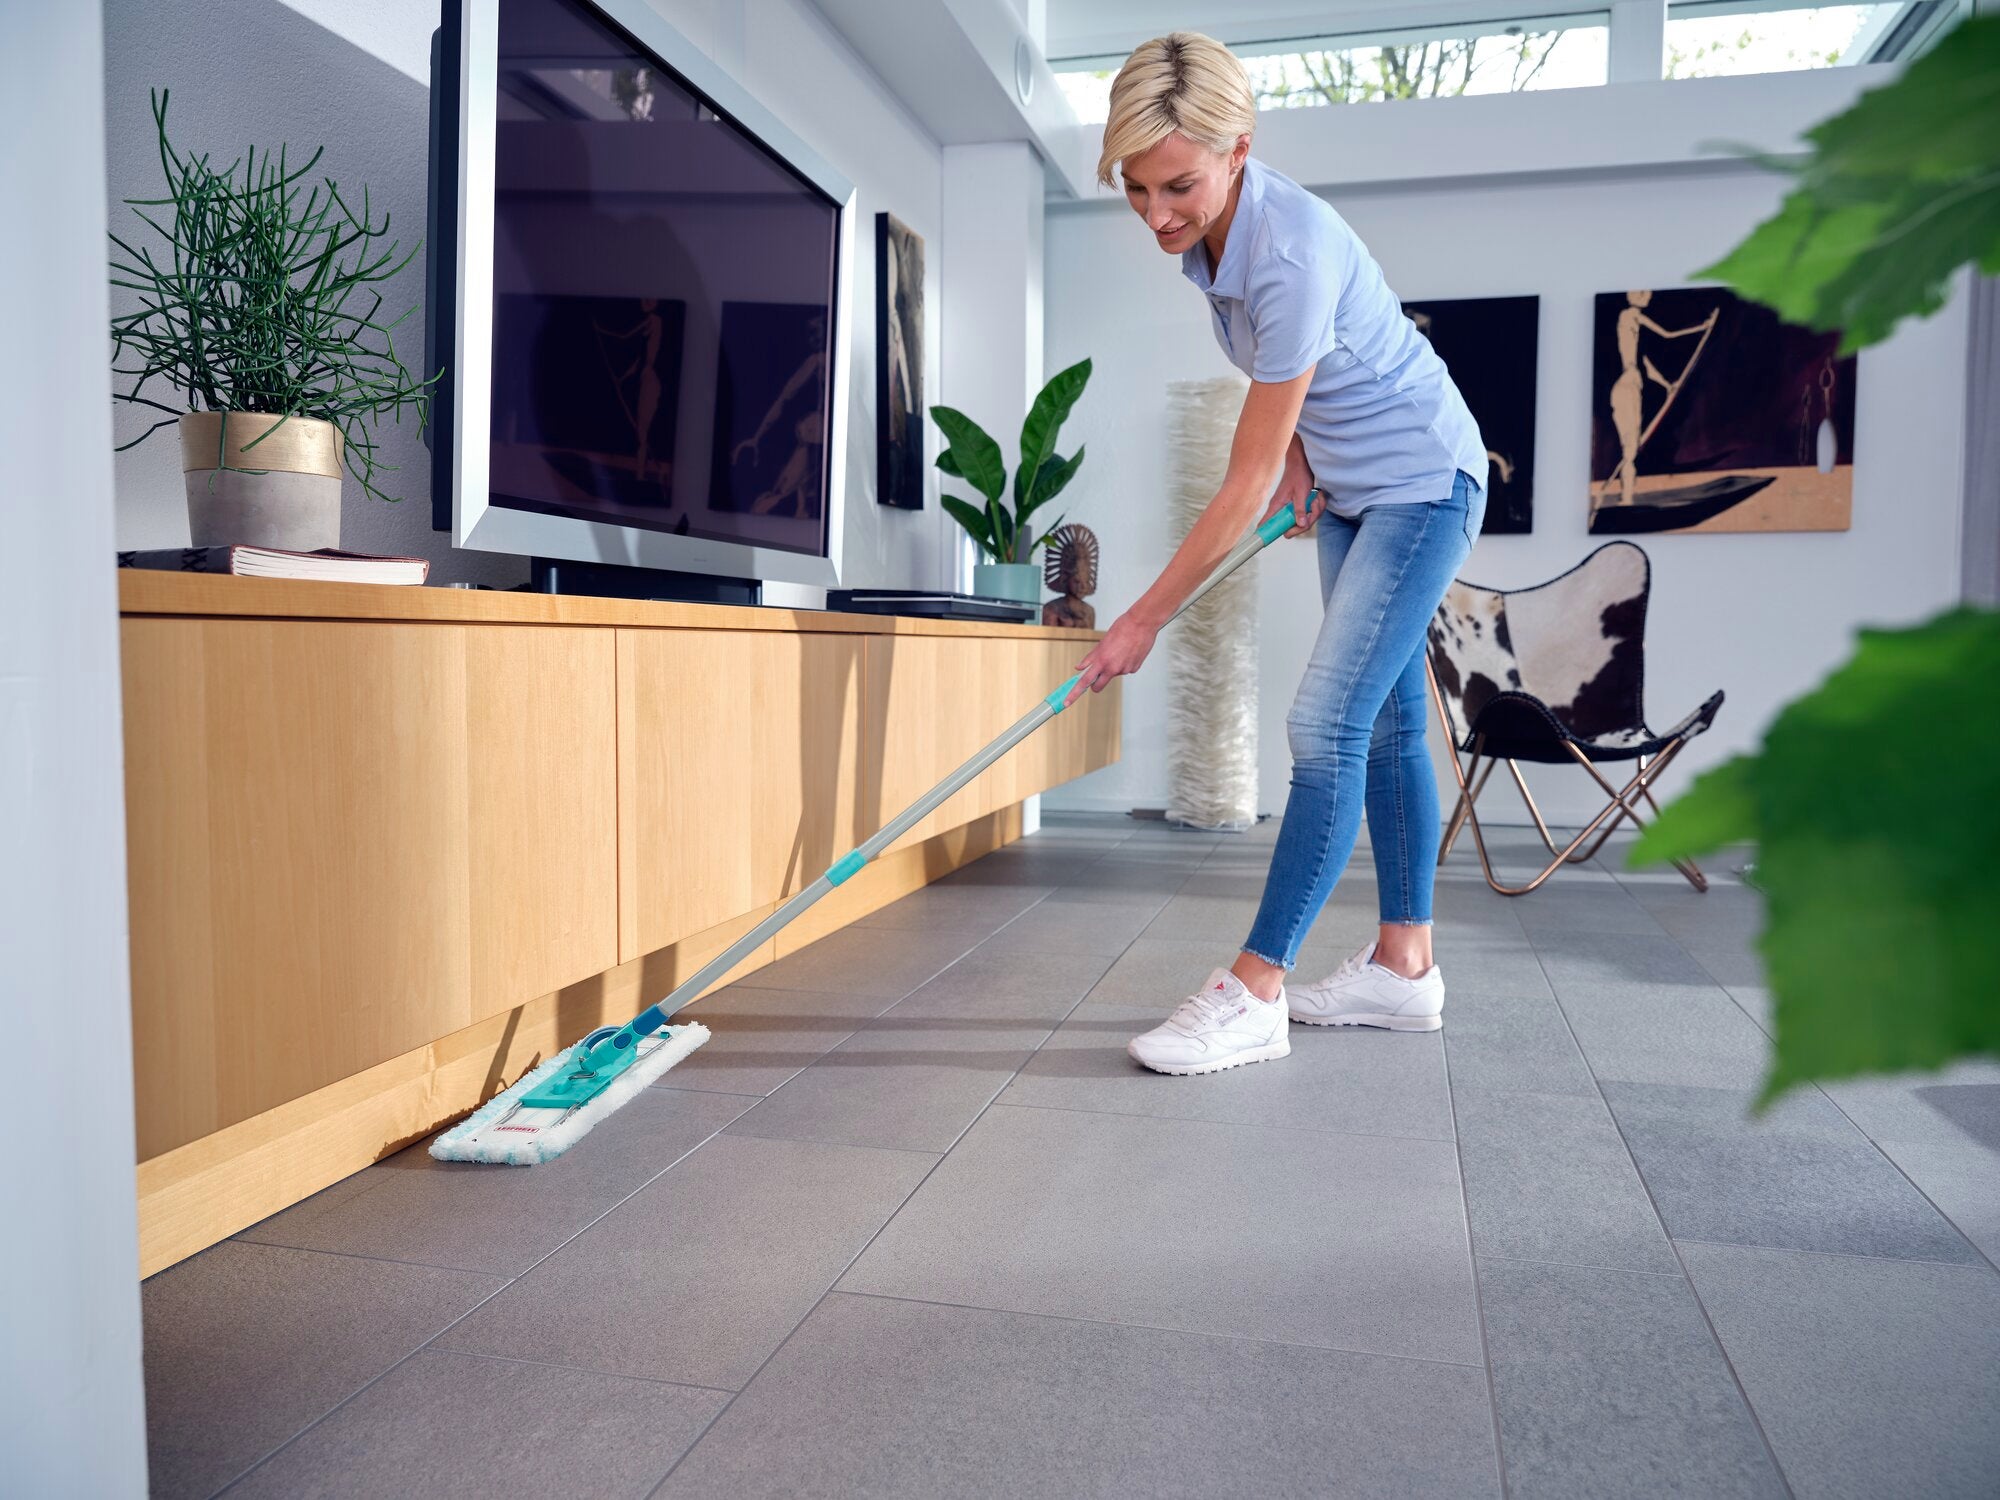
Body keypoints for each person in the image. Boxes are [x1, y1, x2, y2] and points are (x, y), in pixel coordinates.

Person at [1063, 33, 1488, 1076]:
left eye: (1178, 187)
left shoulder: (1289, 248)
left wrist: (1138, 620)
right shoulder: (1210, 241)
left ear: (1238, 149)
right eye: (1134, 189)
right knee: (1385, 727)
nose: (1157, 214)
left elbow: (1240, 480)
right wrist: (1304, 455)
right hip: (1350, 489)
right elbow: (1281, 399)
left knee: (1321, 726)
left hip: (1422, 483)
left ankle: (1255, 988)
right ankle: (1403, 968)